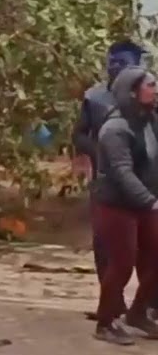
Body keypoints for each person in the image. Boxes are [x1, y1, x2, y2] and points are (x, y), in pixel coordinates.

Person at [90, 65, 158, 345]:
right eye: (150, 85)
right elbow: (122, 172)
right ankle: (105, 322)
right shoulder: (115, 128)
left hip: (146, 203)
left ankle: (138, 313)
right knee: (122, 263)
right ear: (132, 92)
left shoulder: (149, 120)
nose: (155, 90)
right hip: (117, 206)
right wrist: (151, 202)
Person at [72, 40, 146, 286]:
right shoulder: (95, 97)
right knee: (105, 242)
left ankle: (147, 308)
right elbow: (79, 134)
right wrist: (98, 151)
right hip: (106, 183)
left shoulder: (150, 95)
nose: (114, 67)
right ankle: (111, 306)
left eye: (122, 62)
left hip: (146, 182)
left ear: (137, 66)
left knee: (148, 244)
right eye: (111, 62)